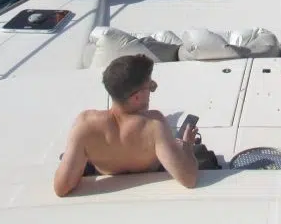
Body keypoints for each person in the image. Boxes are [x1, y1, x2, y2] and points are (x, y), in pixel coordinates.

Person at [53, 54, 199, 196]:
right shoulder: (154, 125)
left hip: (103, 172)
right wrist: (187, 146)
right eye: (150, 86)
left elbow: (61, 188)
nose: (152, 90)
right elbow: (189, 179)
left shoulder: (86, 126)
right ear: (136, 97)